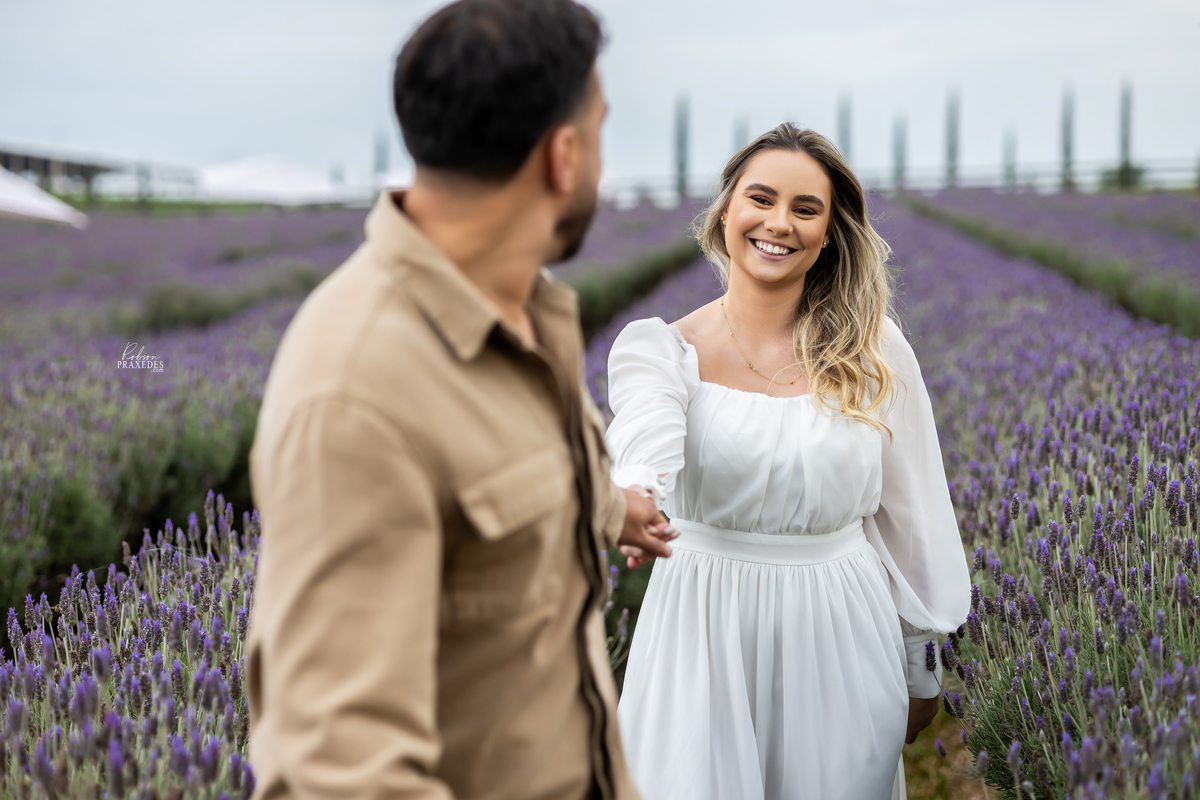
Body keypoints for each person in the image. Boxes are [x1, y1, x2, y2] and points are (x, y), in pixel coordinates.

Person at [244, 1, 675, 798]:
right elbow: (338, 772)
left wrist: (612, 507)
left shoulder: (519, 314)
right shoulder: (359, 390)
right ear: (563, 155)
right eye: (602, 130)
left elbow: (496, 506)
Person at [604, 123, 972, 800]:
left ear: (830, 232)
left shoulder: (875, 352)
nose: (780, 223)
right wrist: (634, 493)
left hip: (840, 631)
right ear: (725, 213)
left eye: (806, 209)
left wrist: (922, 663)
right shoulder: (660, 349)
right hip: (701, 631)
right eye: (761, 199)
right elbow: (643, 438)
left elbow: (912, 516)